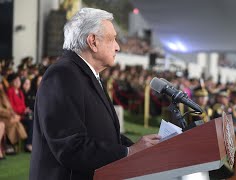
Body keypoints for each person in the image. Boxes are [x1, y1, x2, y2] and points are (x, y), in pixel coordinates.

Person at [30, 8, 161, 180]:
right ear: (93, 41)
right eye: (113, 39)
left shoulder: (85, 74)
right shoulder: (63, 75)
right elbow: (70, 146)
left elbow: (101, 133)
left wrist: (139, 147)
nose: (118, 46)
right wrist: (128, 151)